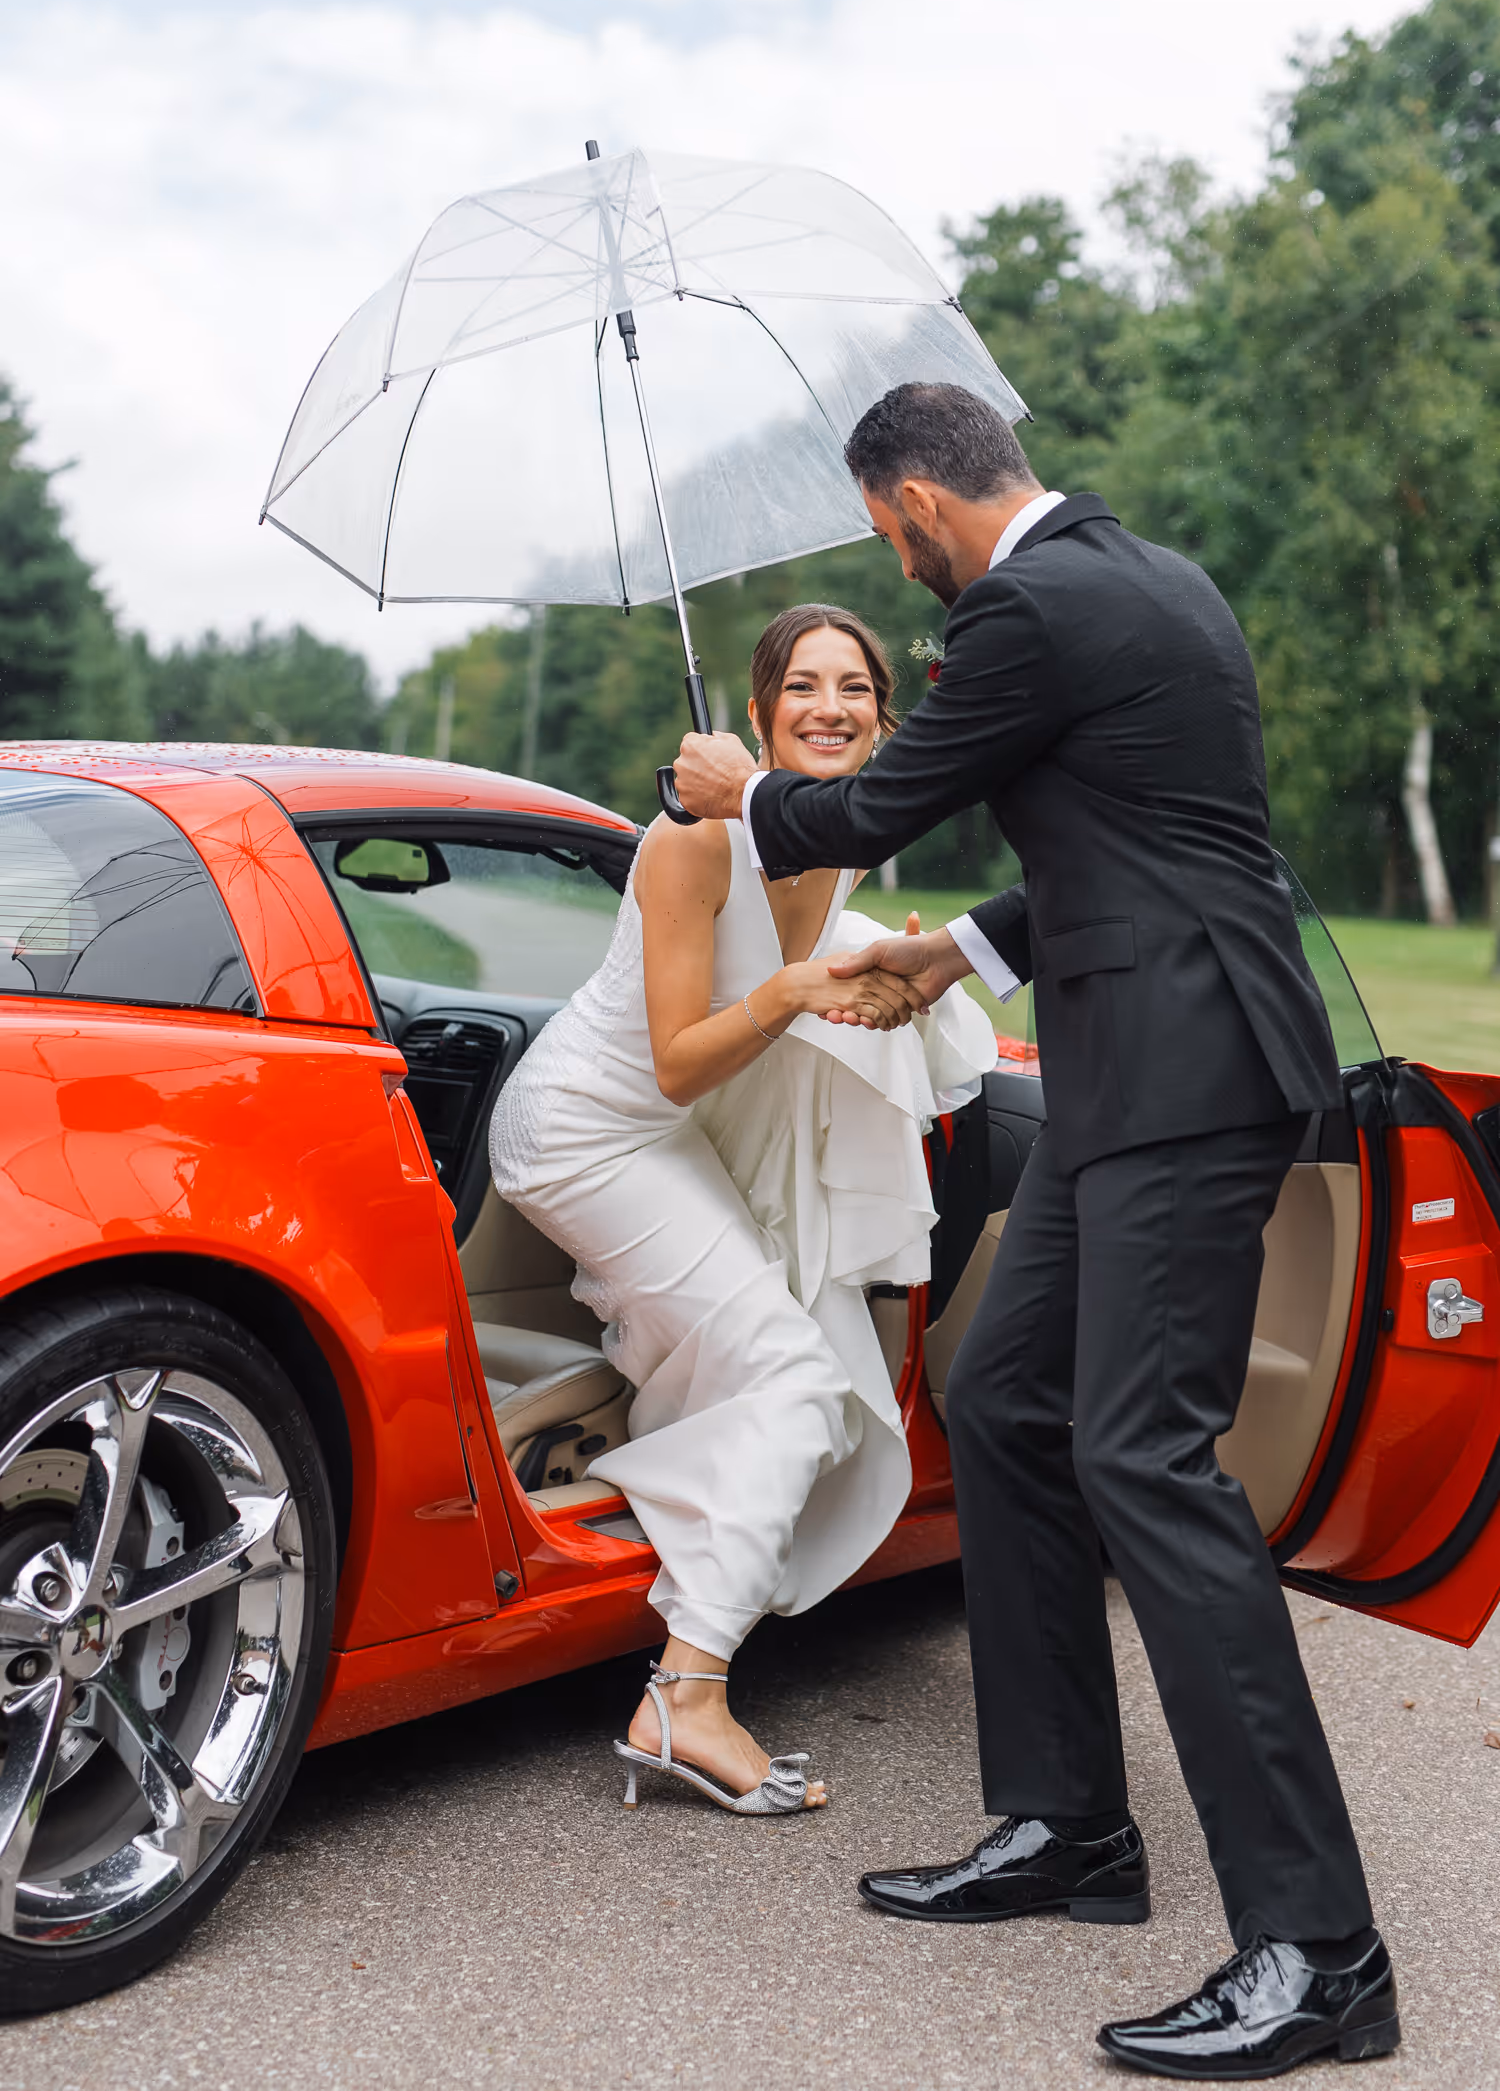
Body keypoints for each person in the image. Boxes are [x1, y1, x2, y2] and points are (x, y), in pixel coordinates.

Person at [672, 385, 1398, 2074]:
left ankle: (1320, 1950)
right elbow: (1132, 825)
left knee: (1148, 1458)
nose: (896, 563)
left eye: (886, 535)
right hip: (1141, 1059)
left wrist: (734, 784)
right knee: (1005, 1395)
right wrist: (956, 957)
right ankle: (1069, 1829)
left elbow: (863, 811)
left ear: (920, 501)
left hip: (1185, 1075)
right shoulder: (1153, 581)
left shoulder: (1020, 609)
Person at [490, 603, 996, 1818]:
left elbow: (797, 1006)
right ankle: (687, 1693)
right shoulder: (694, 845)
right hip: (584, 1131)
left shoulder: (843, 846)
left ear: (883, 720)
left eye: (858, 689)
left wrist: (876, 986)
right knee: (788, 1382)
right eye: (806, 687)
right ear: (761, 714)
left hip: (672, 1137)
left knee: (782, 1357)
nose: (833, 706)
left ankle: (661, 1563)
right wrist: (795, 989)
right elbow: (677, 1060)